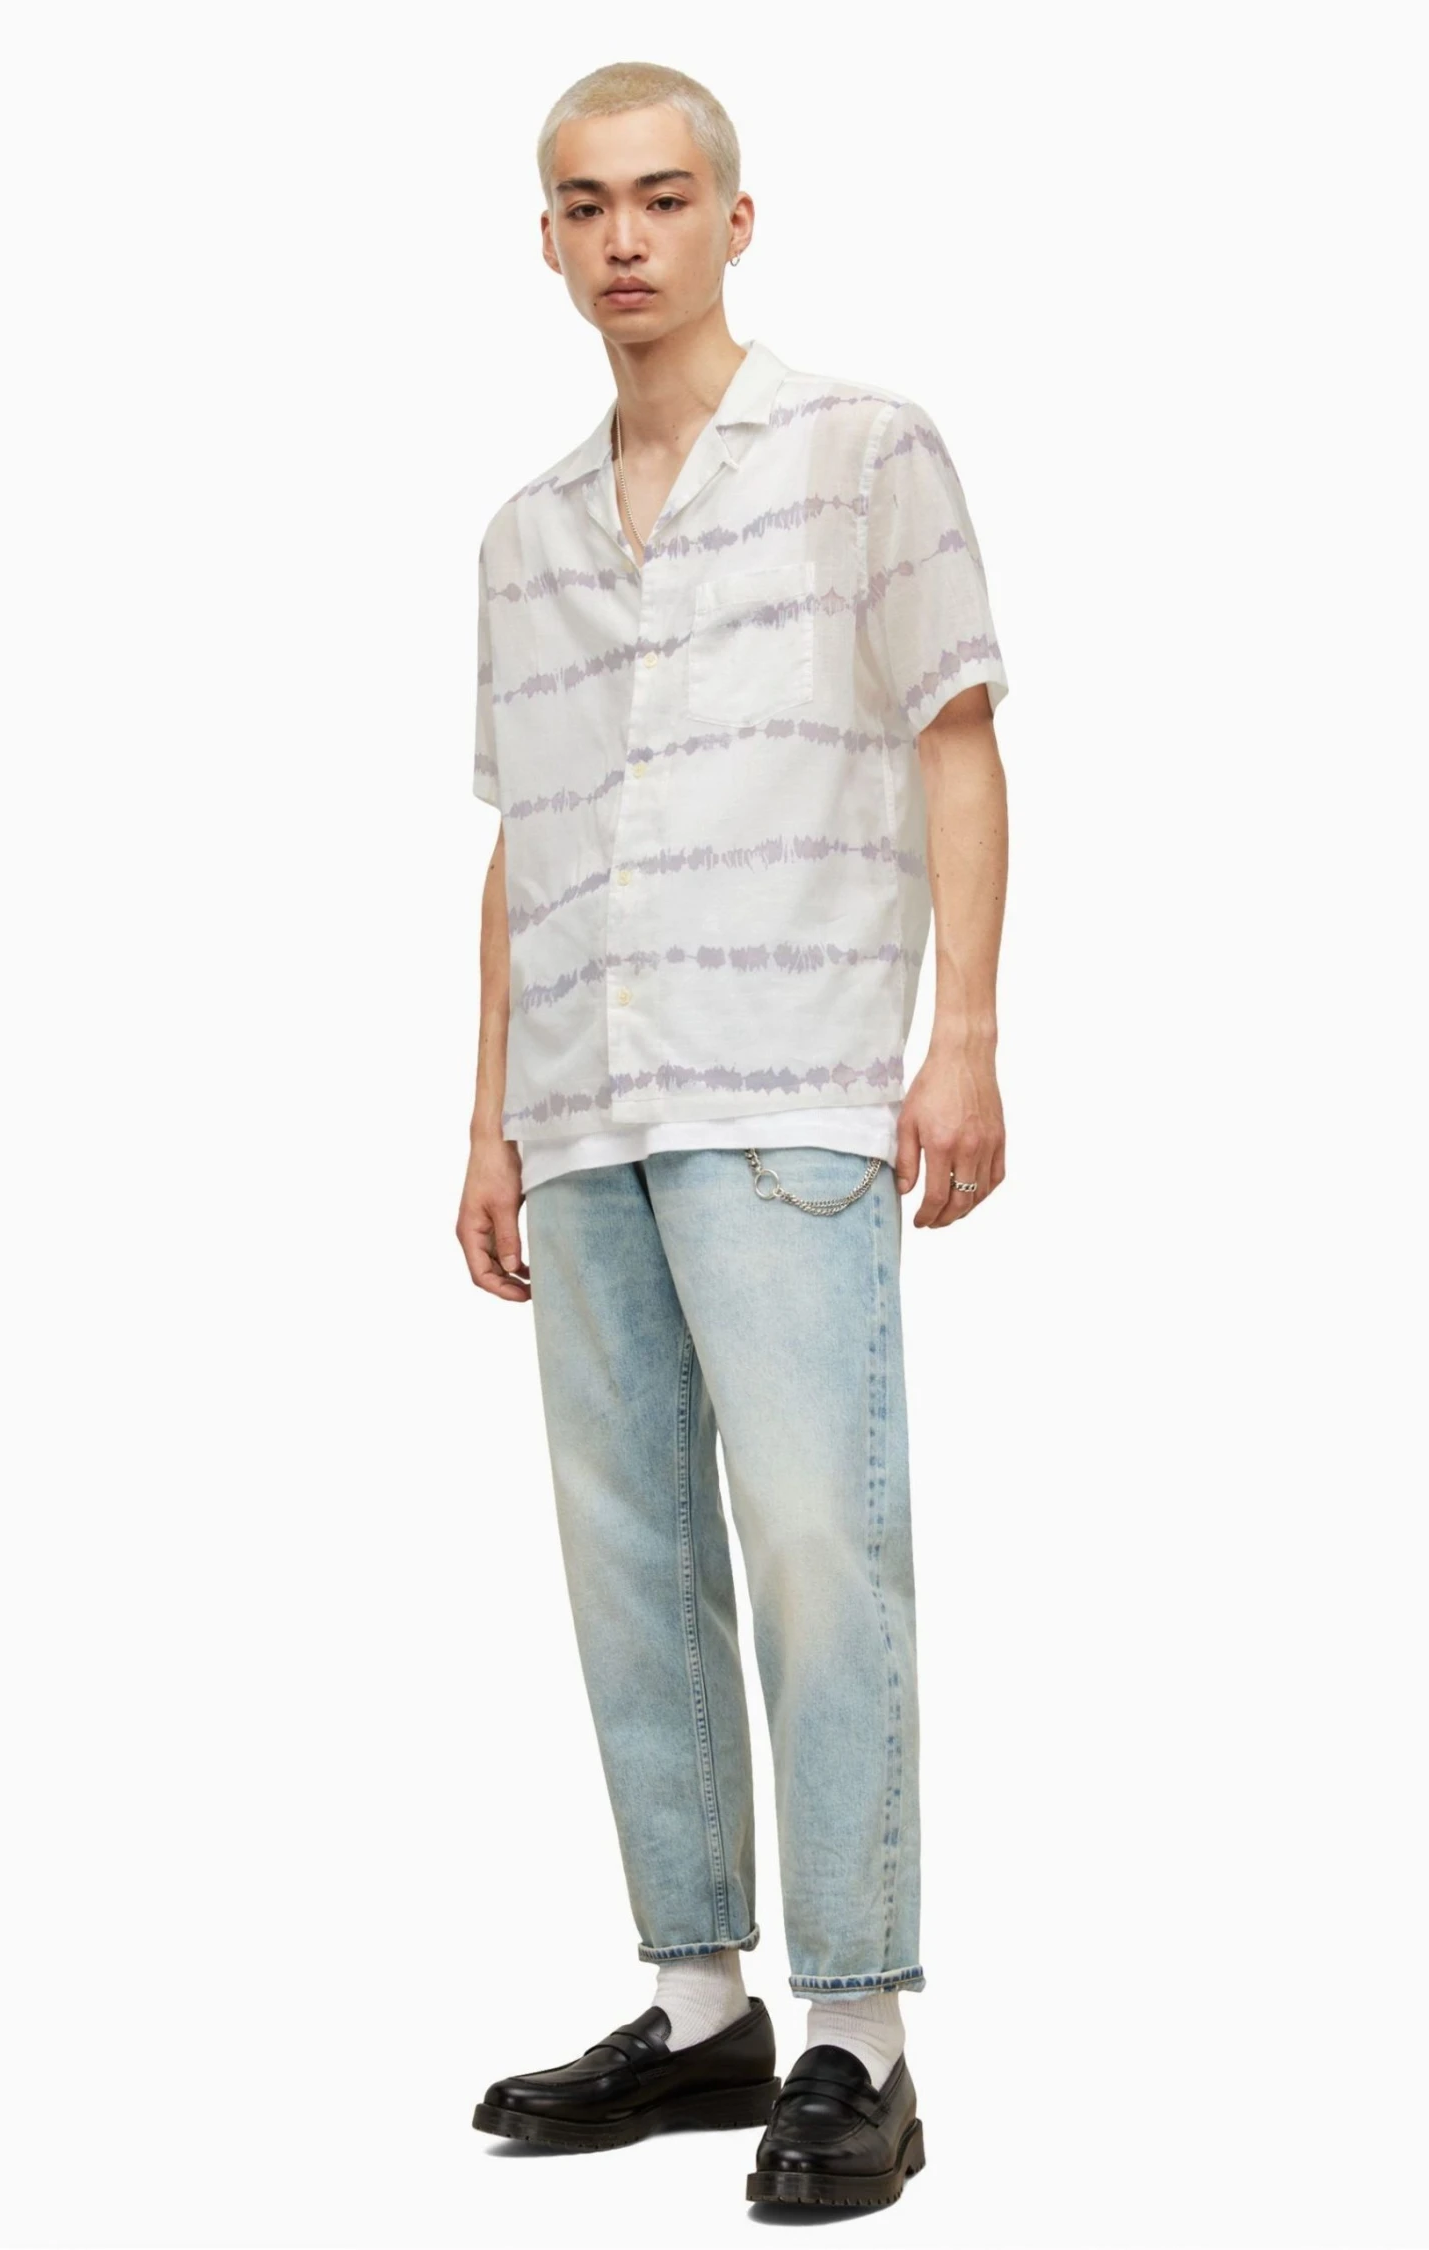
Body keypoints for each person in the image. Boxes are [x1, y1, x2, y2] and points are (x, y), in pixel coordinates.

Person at [456, 58, 1011, 2211]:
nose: (626, 237)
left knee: (814, 1552)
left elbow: (955, 739)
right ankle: (702, 2012)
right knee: (631, 1567)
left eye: (665, 197)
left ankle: (861, 2035)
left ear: (734, 220)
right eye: (587, 203)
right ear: (546, 238)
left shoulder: (864, 452)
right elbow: (526, 841)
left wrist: (964, 1038)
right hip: (581, 1111)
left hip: (787, 1086)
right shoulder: (522, 538)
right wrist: (489, 1116)